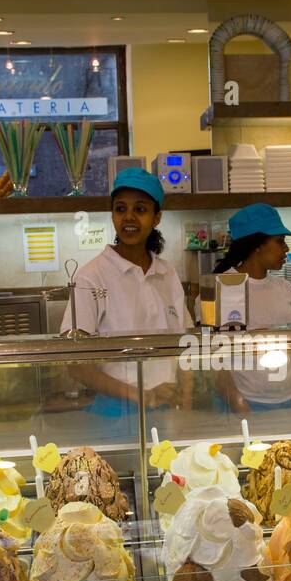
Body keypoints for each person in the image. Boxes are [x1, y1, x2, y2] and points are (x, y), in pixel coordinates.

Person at [60, 167, 191, 416]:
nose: (128, 217)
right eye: (120, 209)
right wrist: (141, 395)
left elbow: (184, 345)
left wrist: (184, 402)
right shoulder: (92, 276)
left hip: (166, 408)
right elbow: (75, 365)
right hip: (115, 412)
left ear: (157, 217)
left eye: (140, 209)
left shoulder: (168, 274)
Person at [212, 203, 291, 413]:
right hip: (245, 406)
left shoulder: (285, 288)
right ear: (257, 244)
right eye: (280, 241)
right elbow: (214, 357)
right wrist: (239, 404)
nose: (286, 249)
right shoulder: (222, 289)